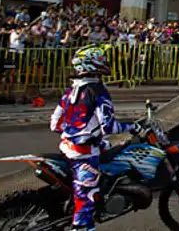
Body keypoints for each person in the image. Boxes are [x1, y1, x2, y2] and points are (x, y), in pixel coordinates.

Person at [50, 44, 135, 231]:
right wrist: (132, 126)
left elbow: (55, 124)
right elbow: (109, 126)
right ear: (93, 63)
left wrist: (76, 131)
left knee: (108, 151)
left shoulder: (70, 91)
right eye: (101, 59)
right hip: (83, 154)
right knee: (87, 199)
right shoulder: (98, 91)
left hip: (68, 146)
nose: (105, 62)